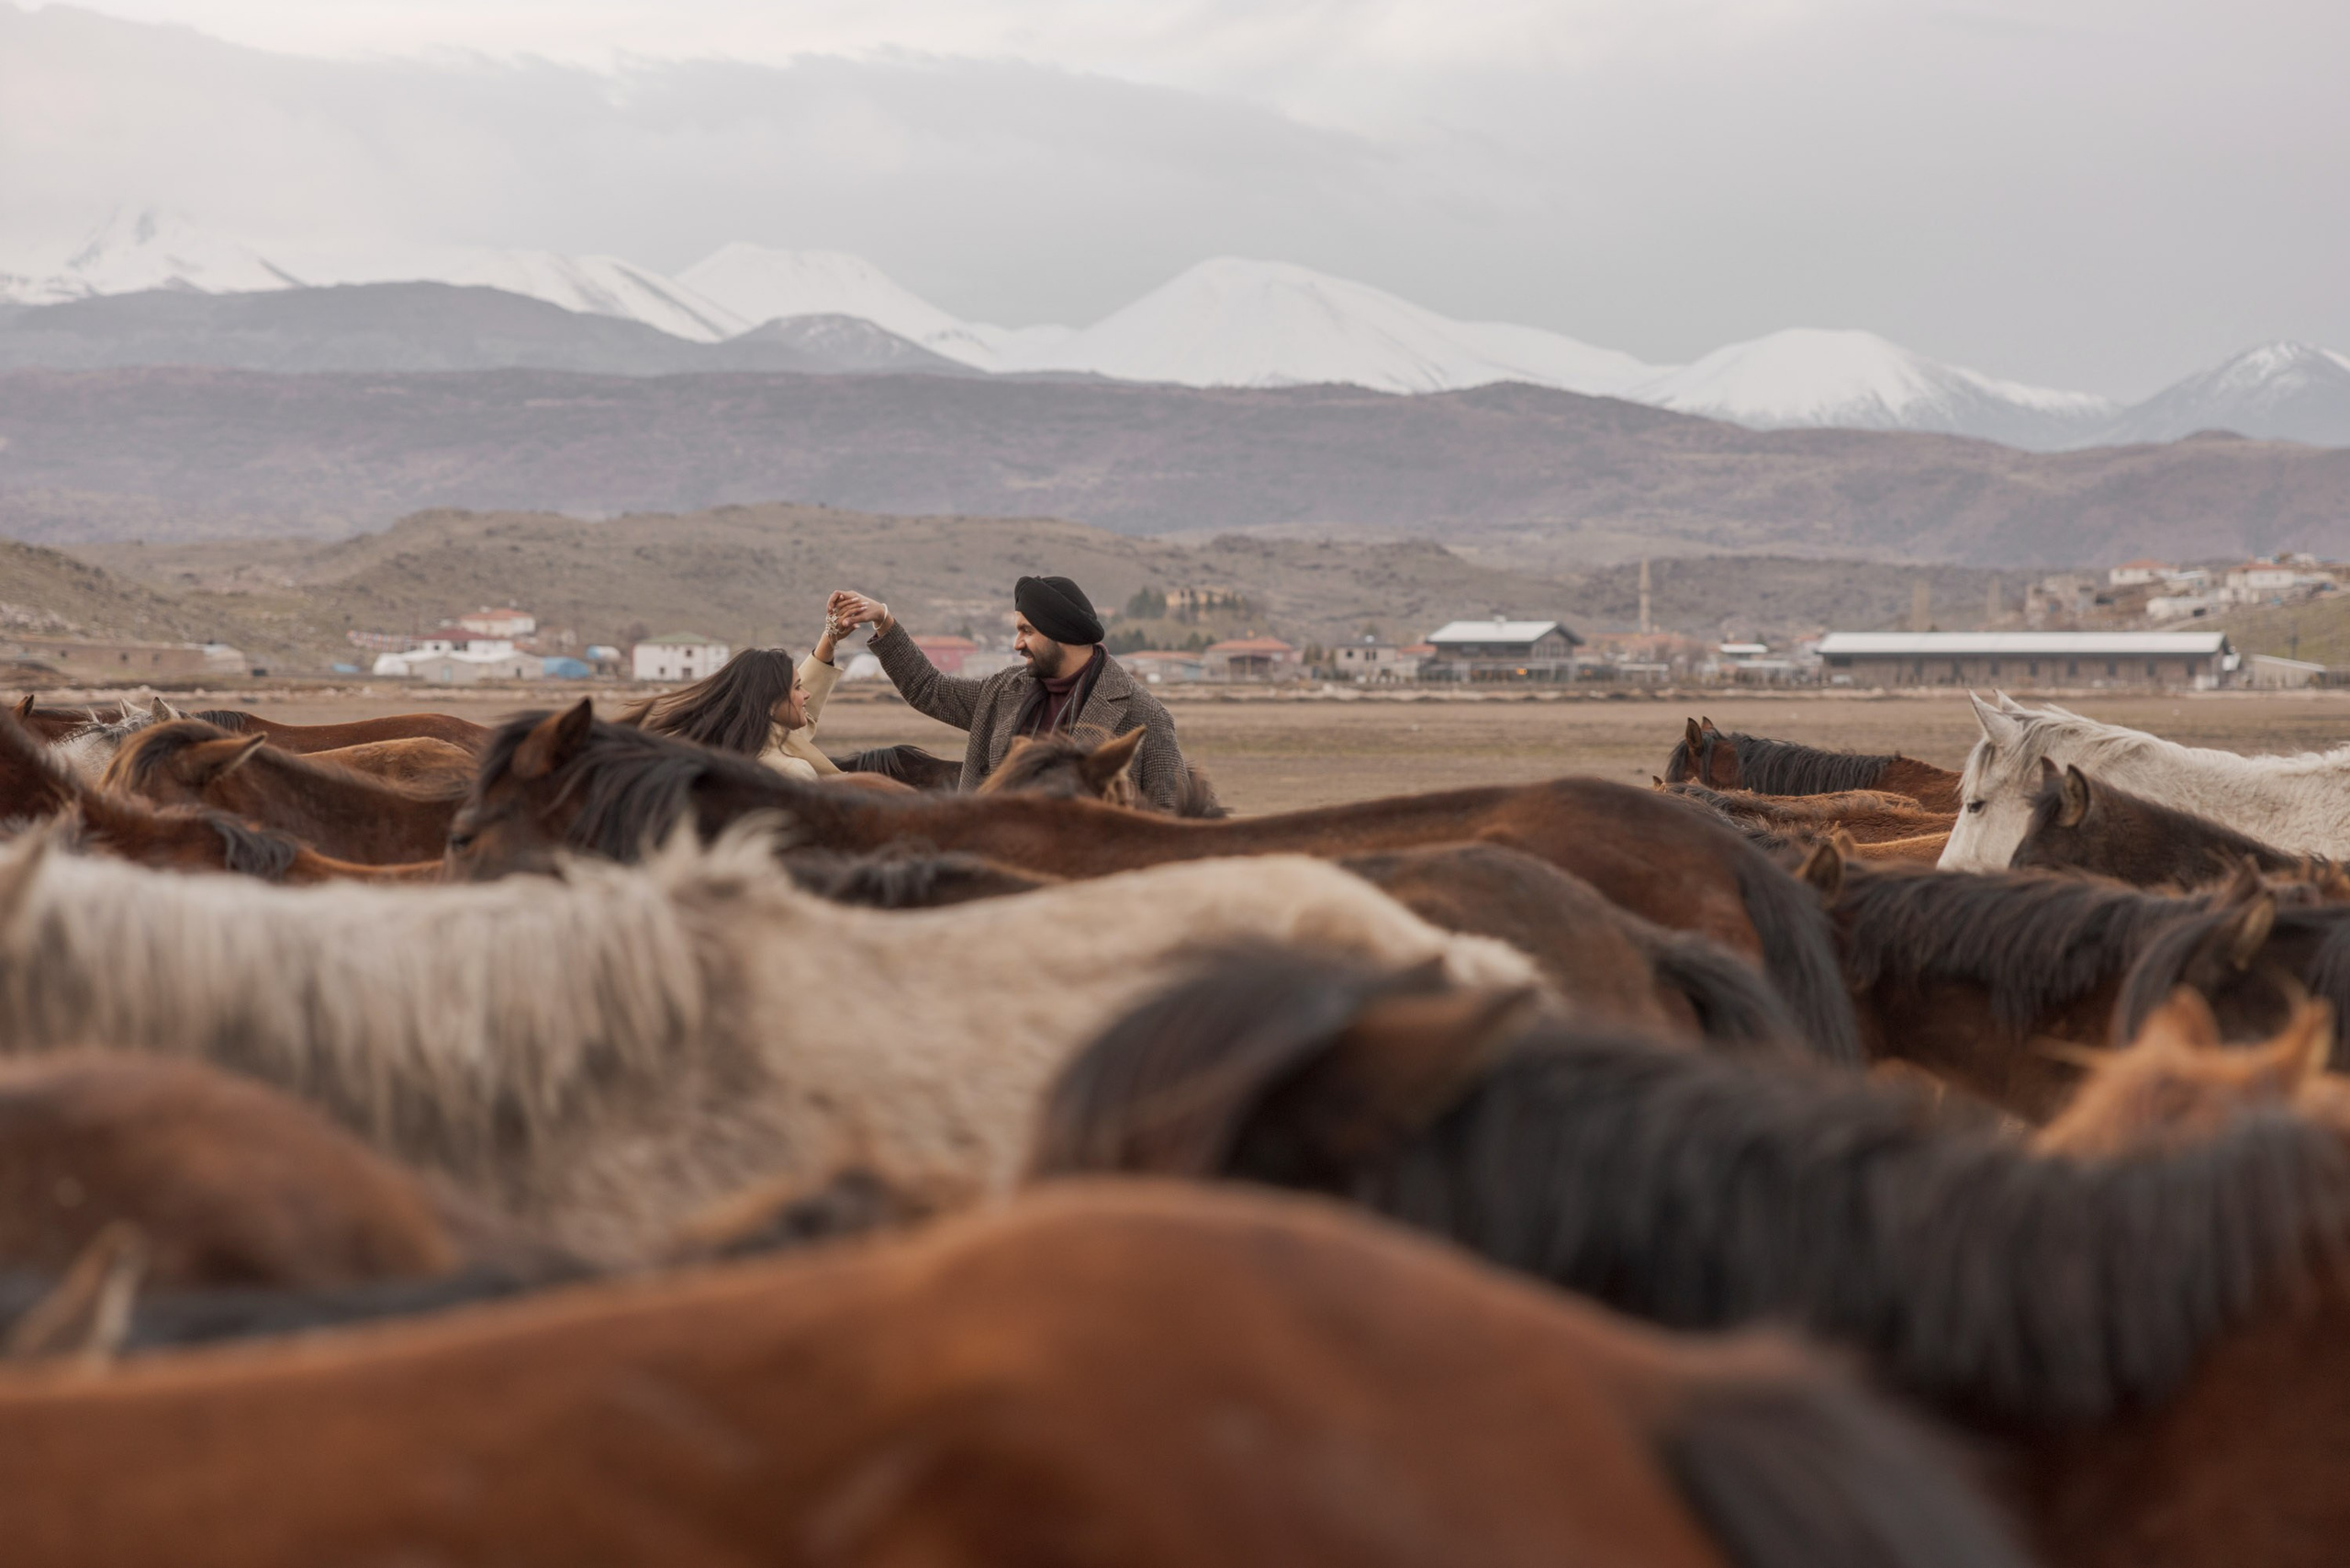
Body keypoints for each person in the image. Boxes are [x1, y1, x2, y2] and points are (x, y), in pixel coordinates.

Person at [827, 576, 1189, 809]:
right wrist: (883, 620)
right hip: (989, 865)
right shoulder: (1004, 691)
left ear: (1060, 633)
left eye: (1027, 631)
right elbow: (929, 689)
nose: (1017, 643)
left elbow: (1170, 818)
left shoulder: (1144, 715)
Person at [619, 616, 845, 781]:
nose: (806, 694)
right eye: (797, 688)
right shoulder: (789, 772)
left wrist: (830, 638)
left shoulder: (731, 745)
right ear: (768, 704)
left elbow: (797, 721)